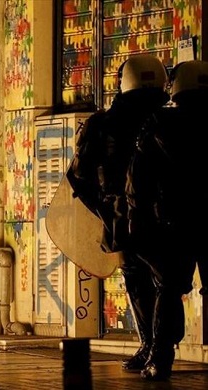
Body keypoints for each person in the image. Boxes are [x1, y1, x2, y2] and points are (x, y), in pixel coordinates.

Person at [65, 54, 171, 376]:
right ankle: (157, 349)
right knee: (165, 282)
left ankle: (151, 347)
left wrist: (104, 209)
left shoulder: (103, 123)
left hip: (122, 217)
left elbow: (79, 177)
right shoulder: (169, 120)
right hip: (167, 215)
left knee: (138, 281)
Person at [125, 60, 208, 380]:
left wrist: (136, 216)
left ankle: (160, 359)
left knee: (169, 288)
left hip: (173, 221)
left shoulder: (159, 124)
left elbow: (138, 178)